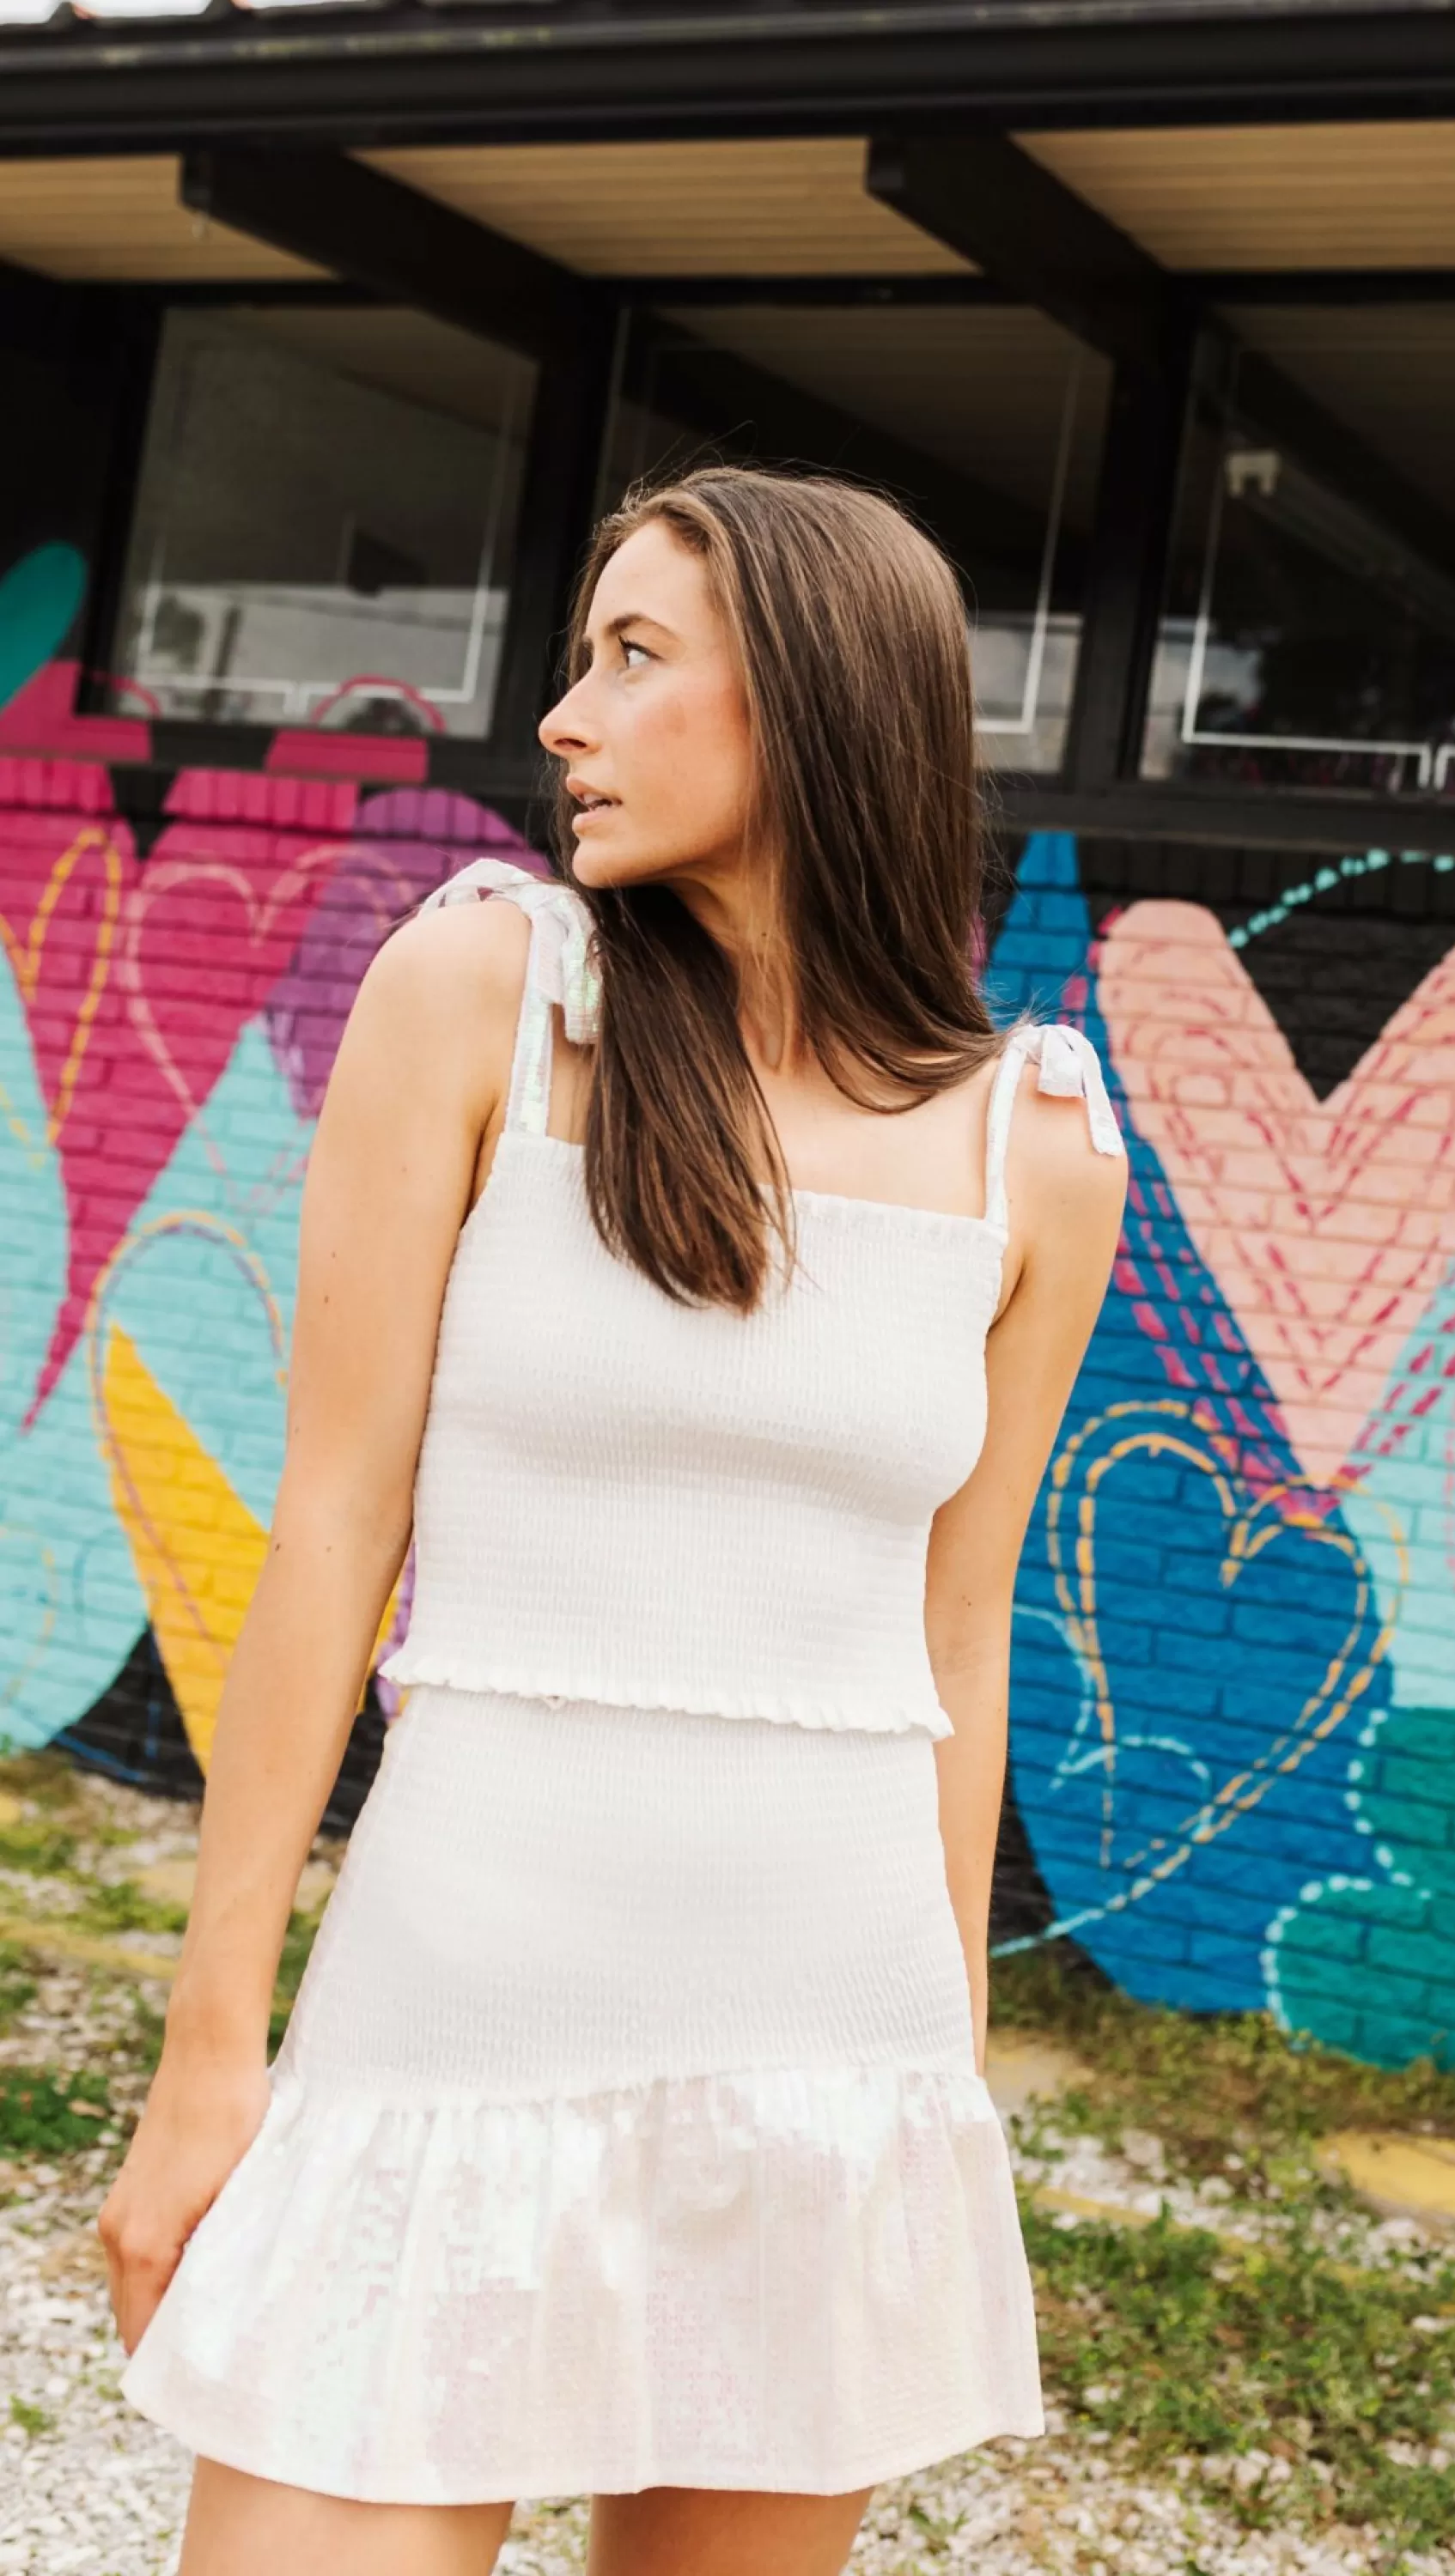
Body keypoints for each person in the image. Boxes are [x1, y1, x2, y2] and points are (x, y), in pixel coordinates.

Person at [98, 465, 1129, 2576]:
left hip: (824, 2055)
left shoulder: (1039, 1150)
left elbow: (958, 1638)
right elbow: (329, 1533)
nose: (562, 717)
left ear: (821, 707)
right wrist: (213, 2052)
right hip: (448, 2018)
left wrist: (935, 2092)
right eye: (580, 658)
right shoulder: (487, 994)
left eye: (632, 660)